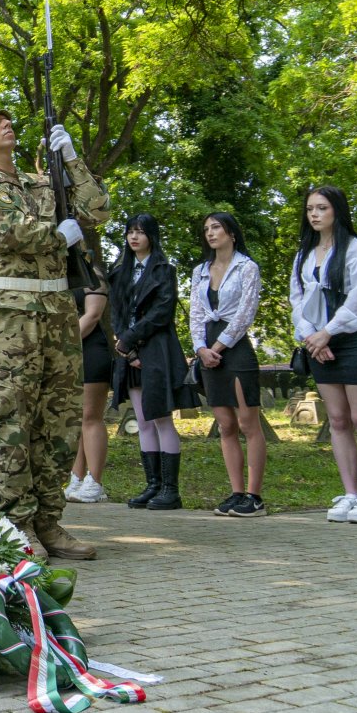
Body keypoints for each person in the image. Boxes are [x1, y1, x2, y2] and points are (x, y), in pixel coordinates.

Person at [0, 101, 107, 561]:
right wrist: (62, 235)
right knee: (9, 420)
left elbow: (96, 210)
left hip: (54, 314)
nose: (6, 124)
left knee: (58, 422)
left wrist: (72, 161)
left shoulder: (43, 183)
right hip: (1, 322)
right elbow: (7, 231)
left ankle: (49, 522)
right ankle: (15, 527)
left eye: (7, 118)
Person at [292, 186, 357, 524]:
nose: (315, 215)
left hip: (355, 339)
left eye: (322, 208)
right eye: (310, 209)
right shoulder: (304, 253)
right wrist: (310, 336)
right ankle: (350, 493)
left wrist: (327, 331)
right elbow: (297, 299)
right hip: (319, 344)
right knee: (337, 420)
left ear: (337, 211)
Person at [108, 214, 197, 512]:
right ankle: (153, 485)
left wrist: (131, 338)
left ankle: (171, 490)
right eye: (130, 232)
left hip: (157, 350)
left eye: (141, 232)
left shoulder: (164, 270)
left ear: (152, 236)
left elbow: (162, 312)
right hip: (129, 353)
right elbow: (116, 313)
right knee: (143, 420)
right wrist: (126, 348)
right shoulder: (120, 271)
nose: (134, 237)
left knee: (160, 417)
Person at [192, 212, 266, 517]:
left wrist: (218, 347)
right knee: (225, 425)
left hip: (234, 349)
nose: (210, 233)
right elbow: (195, 314)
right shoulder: (199, 271)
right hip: (208, 350)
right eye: (207, 229)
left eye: (216, 227)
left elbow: (245, 314)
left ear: (232, 233)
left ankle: (255, 496)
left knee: (248, 423)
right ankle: (236, 492)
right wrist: (200, 349)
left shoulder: (247, 267)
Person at [64, 258, 112, 503]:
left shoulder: (91, 272)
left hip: (90, 350)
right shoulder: (58, 271)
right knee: (74, 419)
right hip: (67, 354)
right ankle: (77, 477)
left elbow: (92, 315)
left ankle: (95, 481)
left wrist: (64, 342)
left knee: (90, 416)